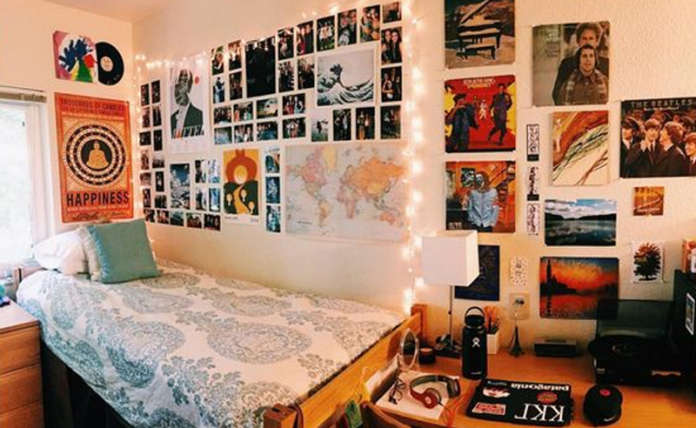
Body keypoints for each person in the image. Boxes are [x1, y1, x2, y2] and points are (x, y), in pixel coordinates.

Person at [552, 22, 609, 105]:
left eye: (591, 38)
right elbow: (556, 94)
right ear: (578, 41)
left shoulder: (606, 64)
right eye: (584, 38)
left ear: (597, 42)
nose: (587, 42)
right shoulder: (567, 64)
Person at [170, 69, 203, 138]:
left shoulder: (199, 115)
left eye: (184, 81)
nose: (177, 96)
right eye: (176, 93)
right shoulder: (172, 118)